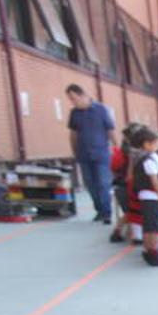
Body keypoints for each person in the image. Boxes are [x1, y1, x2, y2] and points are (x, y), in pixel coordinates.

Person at [65, 84, 116, 224]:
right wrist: (74, 152)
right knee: (90, 184)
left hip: (101, 153)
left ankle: (106, 213)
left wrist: (116, 148)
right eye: (70, 99)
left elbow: (110, 130)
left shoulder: (101, 110)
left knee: (103, 183)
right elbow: (73, 134)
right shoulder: (74, 113)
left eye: (74, 98)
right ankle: (99, 209)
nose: (72, 102)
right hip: (83, 154)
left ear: (82, 95)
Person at [131, 128, 158, 268]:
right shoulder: (148, 160)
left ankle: (151, 250)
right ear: (146, 144)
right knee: (154, 227)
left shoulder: (144, 157)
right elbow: (155, 180)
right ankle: (153, 252)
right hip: (151, 196)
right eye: (156, 142)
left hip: (148, 196)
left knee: (151, 225)